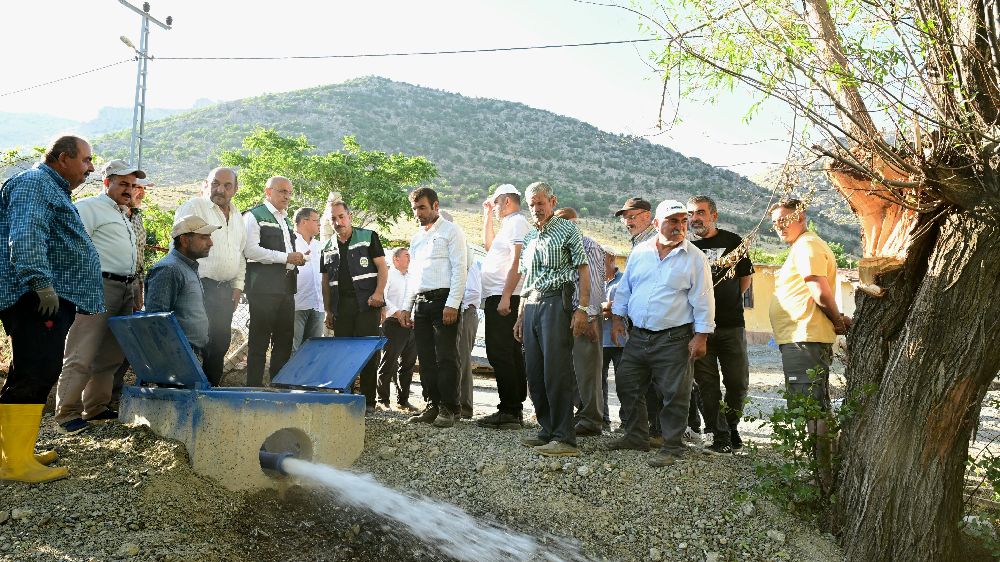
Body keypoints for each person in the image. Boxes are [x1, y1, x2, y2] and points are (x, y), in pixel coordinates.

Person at [0, 135, 102, 483]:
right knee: (36, 372)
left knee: (26, 371)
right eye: (86, 160)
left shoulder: (49, 187)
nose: (91, 167)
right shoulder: (35, 183)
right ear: (62, 158)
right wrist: (40, 282)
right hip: (36, 297)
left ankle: (14, 453)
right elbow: (27, 233)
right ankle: (15, 463)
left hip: (42, 296)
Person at [610, 199, 715, 468]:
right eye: (672, 221)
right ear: (657, 224)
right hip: (638, 336)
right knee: (627, 384)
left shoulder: (695, 258)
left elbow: (703, 299)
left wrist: (701, 335)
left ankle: (672, 446)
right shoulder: (640, 252)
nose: (680, 226)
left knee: (675, 394)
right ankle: (636, 436)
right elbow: (626, 288)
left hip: (674, 339)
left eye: (683, 221)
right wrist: (618, 319)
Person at [54, 159, 143, 434]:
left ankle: (95, 407)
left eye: (132, 184)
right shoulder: (89, 208)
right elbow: (71, 248)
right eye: (123, 183)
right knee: (81, 351)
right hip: (97, 285)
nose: (129, 189)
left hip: (126, 288)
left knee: (110, 355)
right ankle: (65, 414)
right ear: (107, 183)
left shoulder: (125, 214)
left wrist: (136, 288)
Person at [514, 182, 591, 457]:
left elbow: (583, 269)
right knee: (534, 373)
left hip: (556, 302)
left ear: (552, 201)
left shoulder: (567, 228)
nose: (536, 208)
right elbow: (527, 278)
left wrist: (582, 308)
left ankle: (564, 438)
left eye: (540, 202)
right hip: (532, 304)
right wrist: (521, 313)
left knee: (556, 372)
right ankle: (546, 430)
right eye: (532, 204)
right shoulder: (529, 237)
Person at [768, 199, 849, 449]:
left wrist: (838, 321)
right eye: (774, 223)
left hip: (805, 337)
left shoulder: (807, 245)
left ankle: (821, 480)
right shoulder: (803, 245)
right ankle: (825, 474)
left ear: (801, 217)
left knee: (811, 410)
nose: (779, 227)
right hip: (801, 336)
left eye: (784, 220)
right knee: (816, 406)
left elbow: (818, 288)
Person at [688, 195, 754, 454]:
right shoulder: (685, 244)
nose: (695, 218)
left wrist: (725, 300)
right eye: (692, 213)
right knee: (707, 385)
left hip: (731, 324)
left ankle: (731, 426)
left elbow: (744, 279)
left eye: (701, 213)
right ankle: (720, 435)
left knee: (738, 381)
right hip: (697, 328)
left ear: (713, 216)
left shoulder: (732, 242)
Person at [400, 188, 468, 428]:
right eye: (415, 209)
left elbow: (461, 269)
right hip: (421, 301)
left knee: (446, 356)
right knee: (426, 357)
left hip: (444, 301)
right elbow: (413, 275)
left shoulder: (452, 231)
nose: (418, 213)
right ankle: (433, 405)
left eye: (423, 208)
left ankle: (450, 408)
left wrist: (452, 303)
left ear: (435, 206)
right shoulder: (417, 238)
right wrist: (406, 307)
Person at [174, 168, 246, 386]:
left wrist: (237, 286)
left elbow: (240, 254)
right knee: (195, 342)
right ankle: (187, 393)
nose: (220, 190)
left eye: (227, 185)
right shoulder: (195, 207)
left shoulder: (237, 216)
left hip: (224, 291)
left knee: (220, 343)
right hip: (197, 286)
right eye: (215, 183)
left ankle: (210, 393)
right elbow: (178, 246)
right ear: (206, 184)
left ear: (235, 189)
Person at [320, 200, 388, 410]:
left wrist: (378, 294)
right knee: (343, 354)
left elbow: (382, 268)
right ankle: (344, 398)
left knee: (367, 351)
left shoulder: (368, 237)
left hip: (367, 304)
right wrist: (328, 310)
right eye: (333, 218)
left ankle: (368, 401)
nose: (338, 222)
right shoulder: (327, 246)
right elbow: (325, 281)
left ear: (349, 216)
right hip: (342, 307)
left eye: (341, 216)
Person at [476, 184, 530, 430]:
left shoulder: (518, 223)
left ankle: (509, 409)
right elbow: (490, 249)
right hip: (498, 295)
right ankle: (513, 408)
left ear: (507, 201)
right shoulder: (509, 225)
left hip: (504, 296)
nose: (495, 207)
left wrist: (507, 296)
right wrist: (488, 217)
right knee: (508, 352)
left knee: (501, 353)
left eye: (496, 203)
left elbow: (518, 262)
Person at [243, 176, 305, 386]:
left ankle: (277, 387)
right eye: (281, 191)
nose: (286, 196)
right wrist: (286, 258)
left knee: (284, 340)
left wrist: (296, 259)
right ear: (267, 192)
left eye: (289, 192)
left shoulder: (286, 219)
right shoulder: (254, 215)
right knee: (259, 341)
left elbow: (286, 251)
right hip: (263, 287)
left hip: (287, 287)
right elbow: (250, 250)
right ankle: (253, 388)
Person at [614, 196, 664, 442]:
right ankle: (641, 433)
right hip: (639, 324)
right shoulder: (638, 244)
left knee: (657, 380)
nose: (627, 222)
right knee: (635, 378)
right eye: (625, 218)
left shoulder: (658, 242)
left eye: (632, 216)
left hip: (660, 325)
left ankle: (661, 432)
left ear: (647, 215)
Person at [553, 207, 606, 437]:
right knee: (569, 370)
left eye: (567, 223)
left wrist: (590, 316)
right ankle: (579, 413)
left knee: (587, 371)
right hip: (563, 316)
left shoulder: (589, 245)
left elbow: (594, 284)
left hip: (585, 315)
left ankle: (592, 419)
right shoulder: (558, 247)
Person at [145, 216, 218, 353]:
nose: (210, 243)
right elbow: (156, 320)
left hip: (189, 352)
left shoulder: (188, 266)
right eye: (204, 237)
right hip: (177, 355)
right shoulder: (169, 269)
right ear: (184, 240)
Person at [376, 247, 418, 411]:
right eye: (406, 255)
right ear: (396, 259)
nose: (410, 258)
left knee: (407, 365)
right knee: (388, 362)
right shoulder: (388, 275)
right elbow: (383, 298)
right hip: (393, 324)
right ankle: (383, 400)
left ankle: (403, 400)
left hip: (411, 325)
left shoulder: (413, 277)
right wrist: (399, 313)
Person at [292, 207, 324, 353]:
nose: (319, 224)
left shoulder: (319, 246)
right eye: (316, 220)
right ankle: (290, 377)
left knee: (313, 351)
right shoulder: (290, 241)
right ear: (304, 221)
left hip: (318, 306)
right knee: (292, 349)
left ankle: (309, 377)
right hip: (296, 306)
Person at [456, 256, 482, 419]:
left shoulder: (469, 264)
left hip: (465, 312)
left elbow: (473, 293)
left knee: (462, 360)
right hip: (457, 311)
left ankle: (465, 406)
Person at [601, 251, 623, 430]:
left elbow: (623, 305)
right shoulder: (596, 280)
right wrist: (608, 307)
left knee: (624, 383)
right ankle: (602, 418)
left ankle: (627, 421)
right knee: (599, 383)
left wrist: (605, 307)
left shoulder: (623, 280)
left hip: (620, 341)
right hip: (599, 340)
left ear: (610, 260)